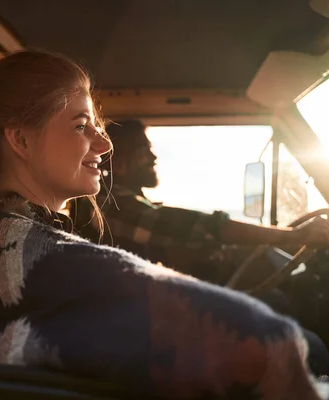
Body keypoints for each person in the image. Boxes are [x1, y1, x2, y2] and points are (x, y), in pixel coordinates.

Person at [0, 50, 329, 399]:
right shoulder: (25, 257)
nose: (104, 143)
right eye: (80, 125)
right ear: (21, 140)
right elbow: (260, 343)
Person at [93, 118, 329, 375]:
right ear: (118, 162)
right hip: (146, 325)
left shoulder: (128, 204)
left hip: (153, 314)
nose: (153, 156)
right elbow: (199, 226)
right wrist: (292, 235)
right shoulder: (115, 207)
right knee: (310, 347)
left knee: (274, 301)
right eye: (142, 150)